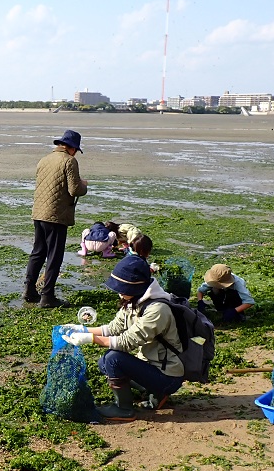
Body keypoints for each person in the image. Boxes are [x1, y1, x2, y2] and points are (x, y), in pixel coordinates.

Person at [62, 256, 184, 421]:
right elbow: (113, 328)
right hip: (151, 365)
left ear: (135, 287)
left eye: (122, 288)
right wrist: (82, 329)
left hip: (168, 375)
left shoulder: (157, 310)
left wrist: (90, 339)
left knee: (114, 359)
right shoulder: (134, 300)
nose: (119, 292)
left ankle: (124, 409)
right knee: (104, 362)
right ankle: (152, 392)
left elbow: (125, 342)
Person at [24, 130, 88, 308]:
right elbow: (74, 190)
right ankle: (47, 296)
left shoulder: (44, 160)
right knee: (54, 255)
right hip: (56, 215)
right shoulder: (69, 161)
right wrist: (84, 185)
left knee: (38, 252)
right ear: (72, 148)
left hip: (39, 212)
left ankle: (29, 290)